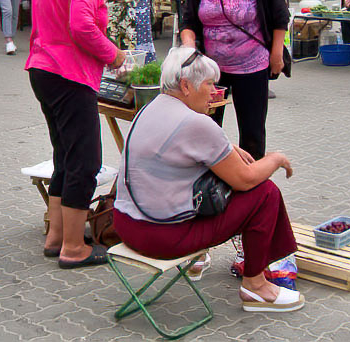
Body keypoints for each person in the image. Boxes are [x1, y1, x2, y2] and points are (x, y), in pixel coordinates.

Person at [113, 46, 304, 313]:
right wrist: (275, 159)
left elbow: (190, 148)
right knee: (265, 193)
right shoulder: (196, 124)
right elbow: (246, 180)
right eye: (210, 84)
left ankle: (208, 262)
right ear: (185, 86)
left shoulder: (150, 107)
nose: (215, 91)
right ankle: (255, 285)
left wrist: (227, 146)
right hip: (160, 237)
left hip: (125, 225)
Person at [25, 0, 126, 268]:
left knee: (65, 156)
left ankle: (56, 237)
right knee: (85, 160)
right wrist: (114, 55)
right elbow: (82, 25)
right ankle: (73, 247)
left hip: (43, 68)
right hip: (69, 72)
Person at [181, 0, 289, 160]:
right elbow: (188, 20)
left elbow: (280, 15)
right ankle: (209, 183)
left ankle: (251, 182)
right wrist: (188, 48)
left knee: (252, 132)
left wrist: (276, 54)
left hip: (252, 65)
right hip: (211, 69)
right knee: (205, 128)